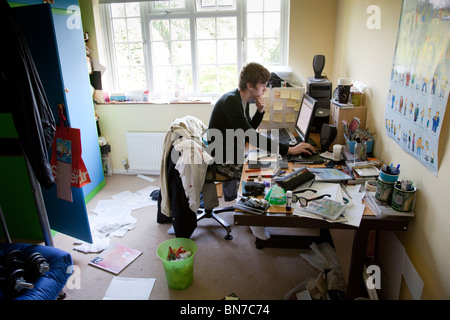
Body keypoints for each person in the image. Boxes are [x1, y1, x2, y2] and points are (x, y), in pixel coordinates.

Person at [207, 63, 315, 198]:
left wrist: (260, 111)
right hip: (222, 161)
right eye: (263, 85)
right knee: (266, 171)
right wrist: (290, 150)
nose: (265, 89)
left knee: (272, 161)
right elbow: (251, 136)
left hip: (232, 152)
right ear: (250, 86)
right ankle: (250, 208)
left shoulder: (241, 99)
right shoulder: (231, 101)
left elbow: (248, 132)